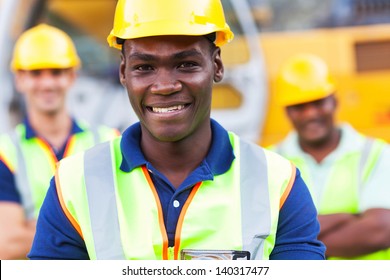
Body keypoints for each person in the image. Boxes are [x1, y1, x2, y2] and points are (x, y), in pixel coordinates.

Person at [29, 0, 325, 260]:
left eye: (185, 64)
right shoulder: (72, 186)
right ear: (123, 73)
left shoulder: (279, 185)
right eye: (144, 68)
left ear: (217, 65)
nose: (165, 85)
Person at [0, 24, 119, 259]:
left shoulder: (110, 142)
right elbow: (7, 244)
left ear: (72, 76)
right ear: (20, 79)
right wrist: (89, 224)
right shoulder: (5, 152)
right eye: (36, 73)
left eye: (56, 72)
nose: (47, 83)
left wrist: (36, 227)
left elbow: (127, 227)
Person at [269, 53, 390, 259]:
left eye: (318, 102)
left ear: (334, 101)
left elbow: (380, 232)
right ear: (287, 111)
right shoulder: (269, 161)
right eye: (299, 106)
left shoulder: (377, 154)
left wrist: (292, 240)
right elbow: (259, 234)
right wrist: (349, 217)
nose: (311, 114)